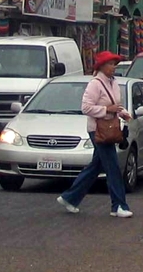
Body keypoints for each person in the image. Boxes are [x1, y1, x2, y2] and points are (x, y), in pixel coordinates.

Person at [57, 51, 134, 218]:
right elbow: (86, 107)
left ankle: (69, 197)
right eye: (111, 64)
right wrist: (106, 110)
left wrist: (124, 114)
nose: (114, 67)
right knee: (112, 167)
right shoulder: (95, 84)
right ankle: (119, 205)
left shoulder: (113, 83)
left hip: (109, 128)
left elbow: (116, 105)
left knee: (96, 166)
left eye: (115, 64)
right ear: (102, 66)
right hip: (98, 130)